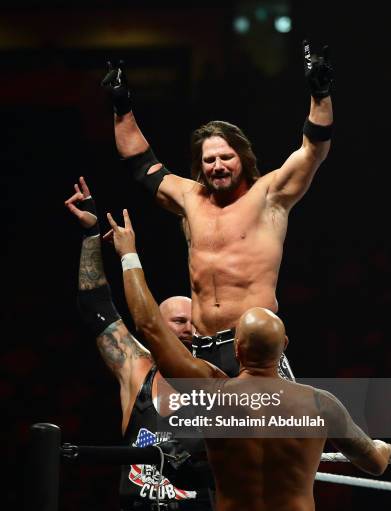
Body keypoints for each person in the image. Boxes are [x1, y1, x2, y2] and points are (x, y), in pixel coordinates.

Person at [104, 208, 391, 511]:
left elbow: (150, 326)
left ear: (236, 350)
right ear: (285, 346)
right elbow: (376, 463)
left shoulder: (213, 394)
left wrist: (128, 253)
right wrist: (384, 447)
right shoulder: (320, 403)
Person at [101, 41, 333, 377]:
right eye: (209, 160)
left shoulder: (268, 195)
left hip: (255, 353)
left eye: (226, 157)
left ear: (243, 158)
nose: (218, 166)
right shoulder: (189, 198)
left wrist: (320, 94)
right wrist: (122, 107)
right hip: (201, 353)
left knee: (270, 430)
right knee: (203, 431)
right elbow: (139, 162)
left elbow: (313, 149)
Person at [65, 177, 217, 511]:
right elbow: (95, 306)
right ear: (156, 330)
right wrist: (91, 235)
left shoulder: (219, 381)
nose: (186, 328)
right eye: (175, 321)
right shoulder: (138, 370)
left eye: (192, 321)